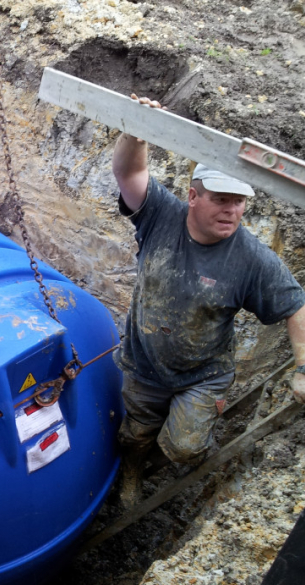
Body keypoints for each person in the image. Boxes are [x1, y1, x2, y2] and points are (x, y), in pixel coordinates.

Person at [111, 96, 305, 507]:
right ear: (194, 196)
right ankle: (132, 472)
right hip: (145, 362)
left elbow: (296, 308)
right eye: (221, 199)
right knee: (135, 433)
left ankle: (193, 440)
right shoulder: (160, 215)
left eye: (239, 202)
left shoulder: (252, 259)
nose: (232, 211)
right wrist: (136, 130)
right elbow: (129, 171)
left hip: (203, 374)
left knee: (183, 447)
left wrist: (304, 368)